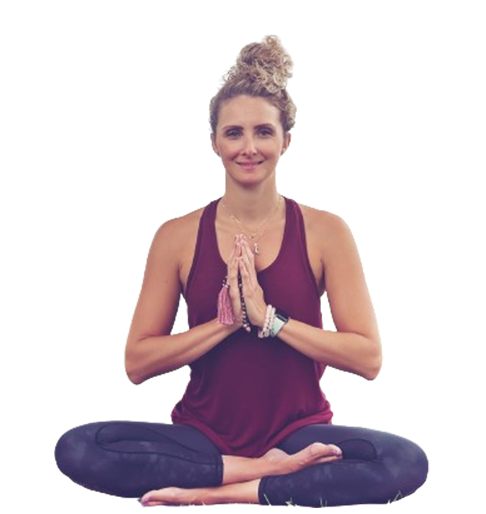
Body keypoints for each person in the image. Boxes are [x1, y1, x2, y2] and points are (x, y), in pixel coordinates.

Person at [55, 36, 429, 508]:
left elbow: (368, 358)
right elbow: (138, 361)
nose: (248, 148)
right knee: (79, 447)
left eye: (263, 132)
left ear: (286, 140)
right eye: (234, 133)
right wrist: (225, 324)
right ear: (215, 141)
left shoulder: (326, 233)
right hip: (204, 436)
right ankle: (264, 476)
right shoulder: (177, 237)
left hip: (297, 433)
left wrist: (270, 319)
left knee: (403, 461)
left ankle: (210, 495)